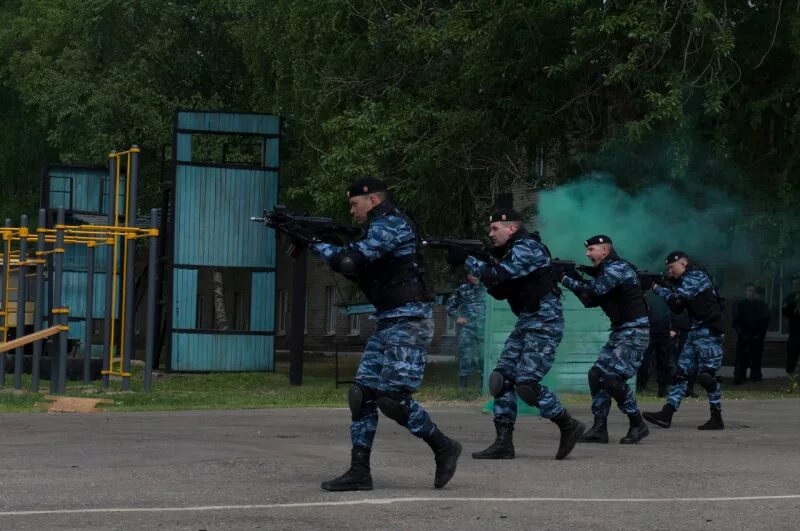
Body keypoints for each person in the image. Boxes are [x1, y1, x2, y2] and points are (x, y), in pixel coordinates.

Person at [310, 176, 461, 491]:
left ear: (372, 200)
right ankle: (359, 471)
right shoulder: (377, 228)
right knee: (362, 395)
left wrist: (316, 243)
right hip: (388, 320)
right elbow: (355, 259)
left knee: (392, 399)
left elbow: (350, 260)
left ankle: (443, 445)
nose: (351, 211)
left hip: (410, 320)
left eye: (354, 204)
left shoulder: (391, 225)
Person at [448, 208, 584, 460]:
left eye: (494, 229)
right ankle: (503, 443)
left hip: (545, 321)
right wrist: (482, 261)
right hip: (528, 320)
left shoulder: (527, 247)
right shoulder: (510, 252)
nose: (490, 234)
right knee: (501, 379)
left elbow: (501, 275)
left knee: (527, 384)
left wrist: (468, 260)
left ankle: (568, 424)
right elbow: (499, 288)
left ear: (511, 228)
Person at [561, 235, 650, 445]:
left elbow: (595, 290)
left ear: (605, 250)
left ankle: (638, 423)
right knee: (596, 375)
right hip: (621, 331)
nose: (587, 254)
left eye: (591, 250)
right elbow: (589, 300)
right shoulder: (606, 271)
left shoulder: (617, 268)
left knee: (613, 379)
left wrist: (566, 279)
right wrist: (572, 278)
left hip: (634, 331)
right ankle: (599, 428)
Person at [643, 251, 725, 430]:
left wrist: (656, 287)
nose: (670, 272)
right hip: (696, 330)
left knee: (707, 376)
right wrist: (664, 285)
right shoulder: (687, 279)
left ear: (682, 263)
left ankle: (716, 417)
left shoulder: (695, 276)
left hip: (709, 331)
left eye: (671, 267)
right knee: (680, 373)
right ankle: (667, 413)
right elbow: (678, 306)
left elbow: (676, 298)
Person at [445, 273, 486, 387]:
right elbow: (449, 306)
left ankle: (483, 383)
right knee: (465, 355)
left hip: (484, 329)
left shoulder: (487, 289)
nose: (476, 277)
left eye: (478, 274)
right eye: (473, 275)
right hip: (467, 328)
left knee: (482, 356)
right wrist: (457, 318)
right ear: (468, 276)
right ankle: (463, 386)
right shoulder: (462, 289)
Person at [732, 283, 770, 384]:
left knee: (756, 357)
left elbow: (765, 321)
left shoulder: (761, 305)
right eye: (749, 290)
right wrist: (742, 333)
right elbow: (735, 322)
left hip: (757, 337)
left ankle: (755, 377)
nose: (751, 292)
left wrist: (760, 334)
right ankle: (740, 377)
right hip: (743, 336)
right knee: (741, 357)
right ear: (745, 292)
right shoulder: (739, 305)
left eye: (753, 290)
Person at [637, 290, 672, 397]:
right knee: (646, 361)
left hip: (661, 332)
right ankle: (641, 385)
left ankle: (662, 388)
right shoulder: (646, 294)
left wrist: (673, 328)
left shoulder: (664, 292)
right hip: (650, 331)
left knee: (663, 361)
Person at [783, 273, 800, 376]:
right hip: (794, 330)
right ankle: (790, 374)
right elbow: (784, 312)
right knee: (792, 351)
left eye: (799, 284)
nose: (797, 286)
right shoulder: (789, 298)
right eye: (795, 284)